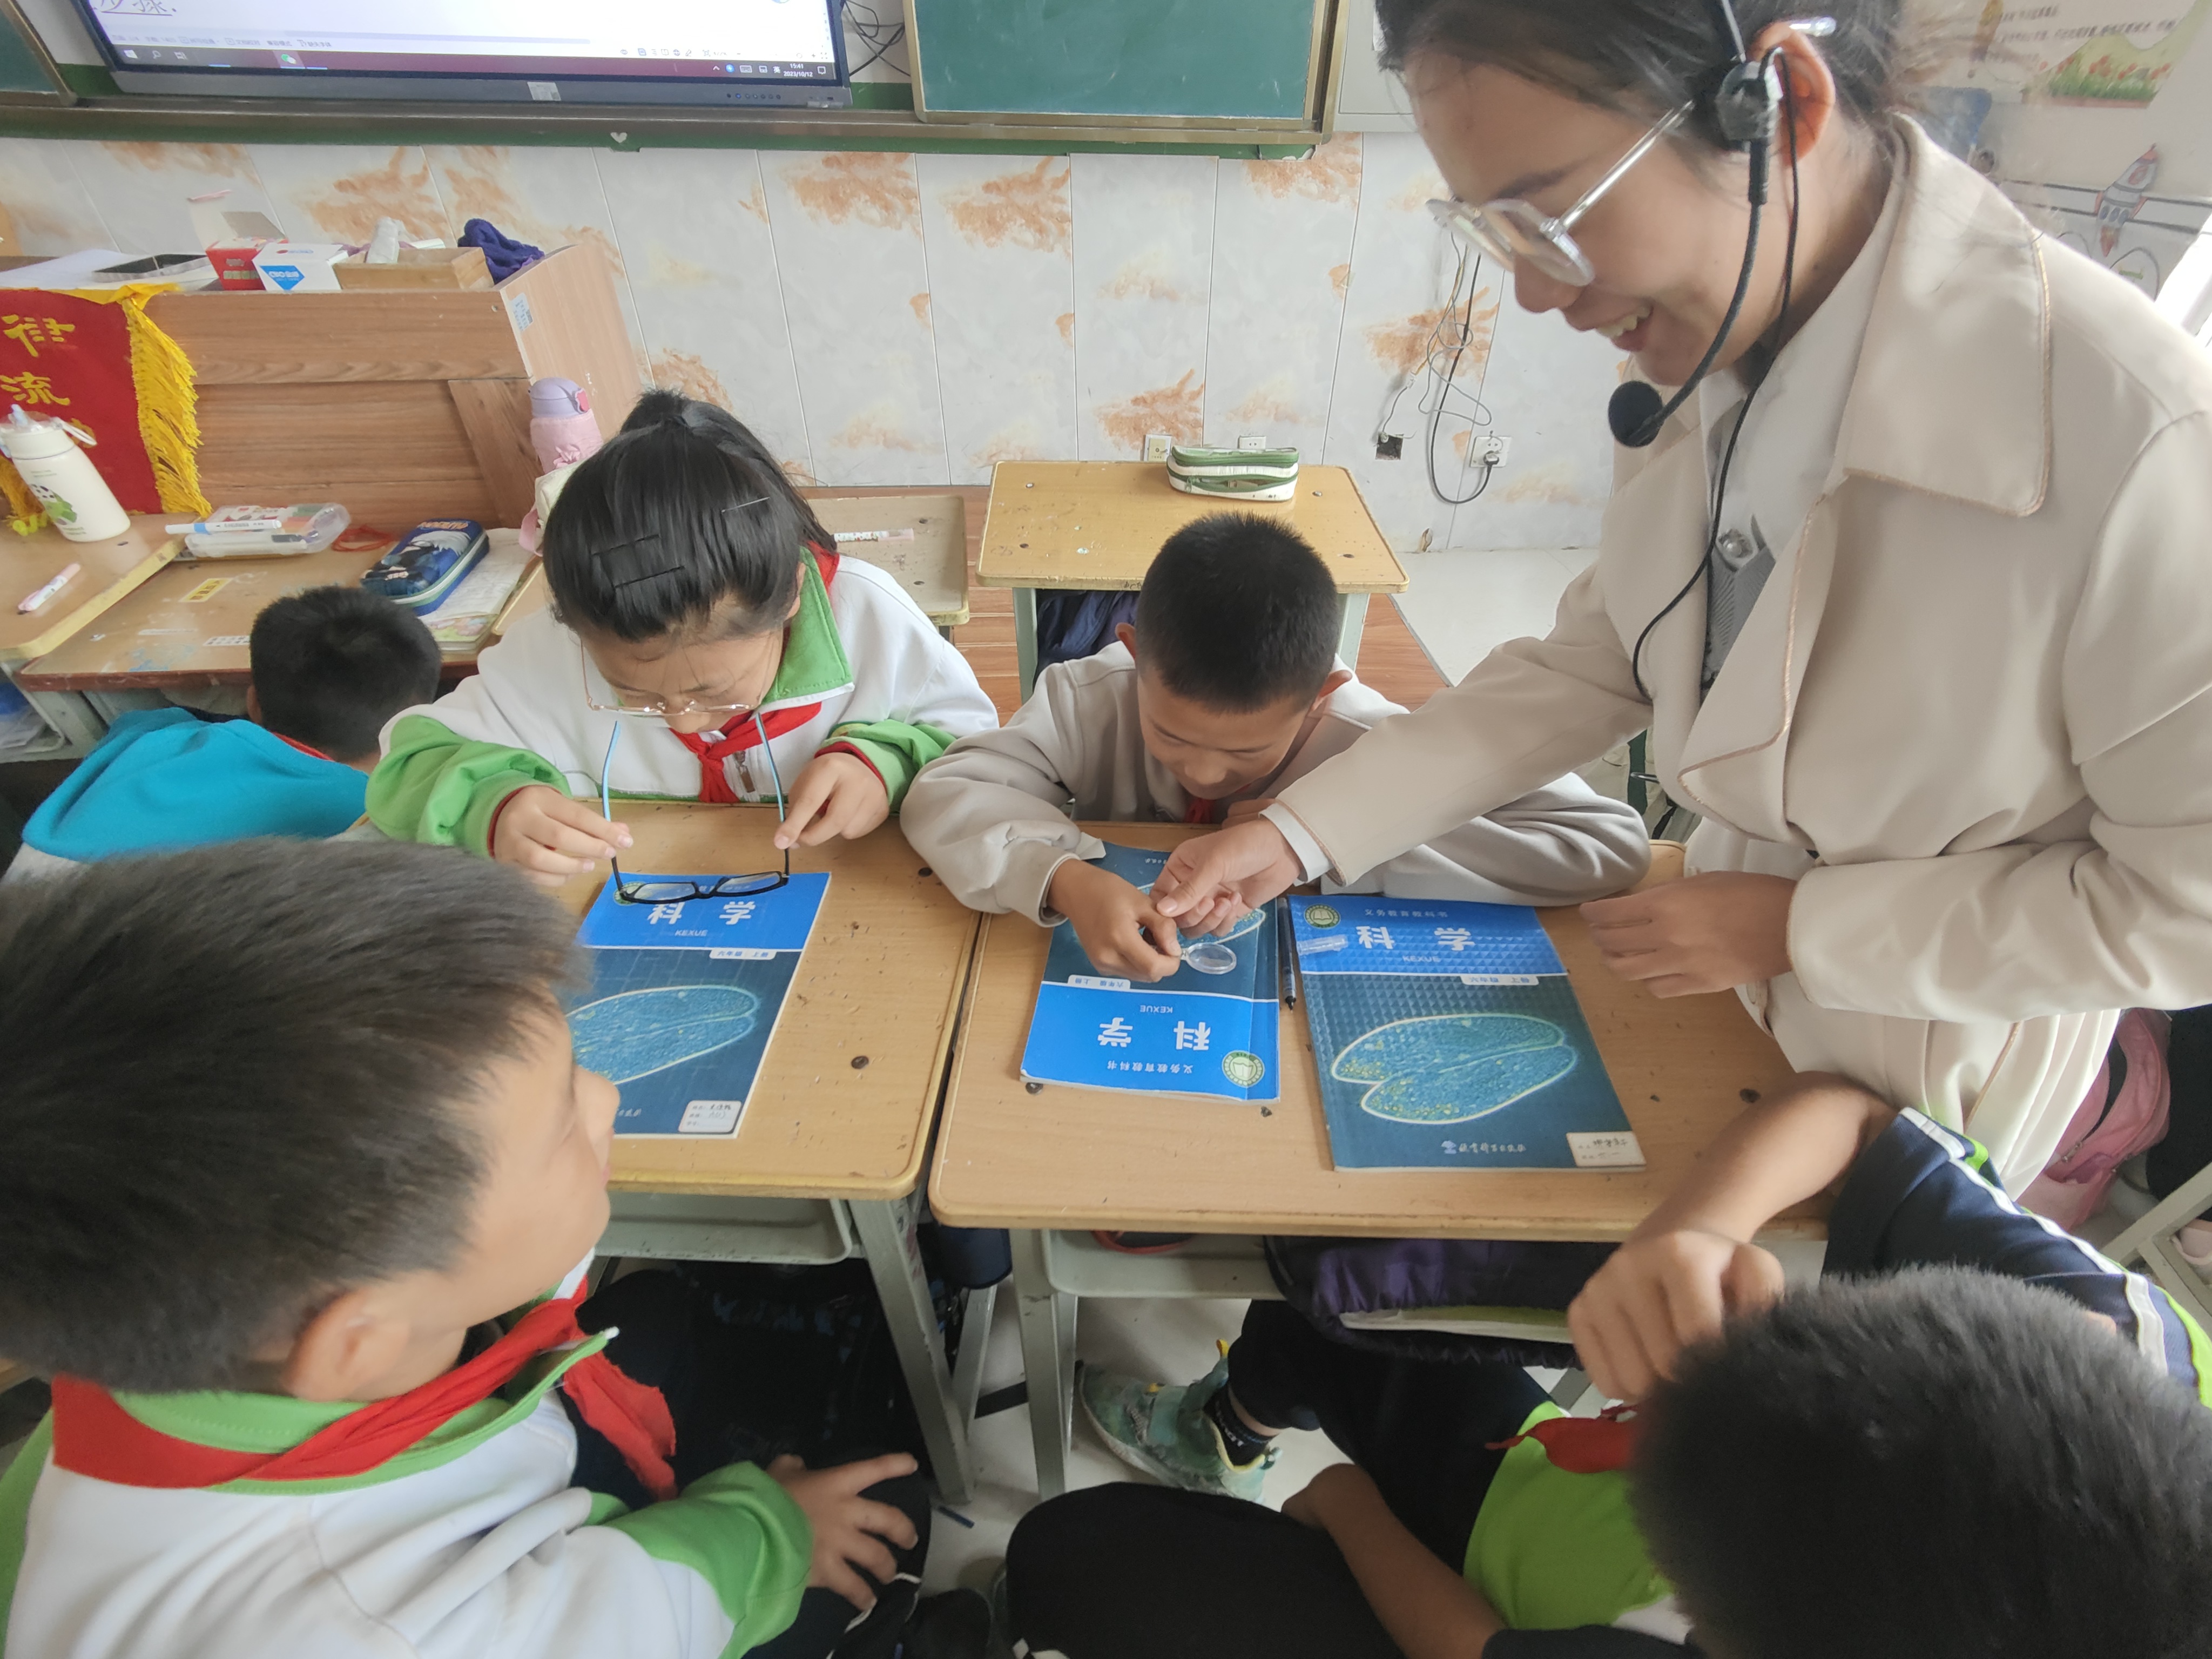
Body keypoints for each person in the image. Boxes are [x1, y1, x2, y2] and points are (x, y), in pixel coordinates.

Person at [1144, 0, 2212, 1191]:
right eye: (1494, 231)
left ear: (1780, 108)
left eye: (1553, 216)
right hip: (1712, 984)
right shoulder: (1721, 351)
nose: (1535, 293)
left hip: (1916, 1058)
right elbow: (1603, 654)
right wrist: (1295, 834)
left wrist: (1802, 930)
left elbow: (2186, 910)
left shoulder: (2141, 439)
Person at [0, 840, 933, 1659]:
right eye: (563, 1123)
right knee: (888, 1507)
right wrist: (773, 1528)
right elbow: (654, 1606)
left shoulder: (156, 1332)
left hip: (445, 1475)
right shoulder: (387, 1631)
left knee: (650, 1313)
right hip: (589, 1604)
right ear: (360, 1339)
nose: (607, 1098)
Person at [1041, 1073, 2212, 1656]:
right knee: (1329, 1316)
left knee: (1070, 1555)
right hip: (1527, 1488)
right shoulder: (2114, 1342)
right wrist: (1694, 1232)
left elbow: (1474, 1646)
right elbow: (1852, 1120)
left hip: (1499, 1596)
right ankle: (1233, 1427)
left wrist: (1343, 1504)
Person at [901, 512, 1648, 982]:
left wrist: (1328, 847)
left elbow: (1607, 845)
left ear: (1323, 693)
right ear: (1131, 652)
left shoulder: (1370, 738)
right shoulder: (1090, 697)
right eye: (1170, 735)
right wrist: (1063, 877)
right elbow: (947, 789)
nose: (1201, 772)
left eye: (1247, 752)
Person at [368, 390, 997, 885]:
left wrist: (883, 762)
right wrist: (492, 804)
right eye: (634, 693)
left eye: (713, 692)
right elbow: (408, 762)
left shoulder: (868, 619)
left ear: (790, 600)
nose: (684, 722)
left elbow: (977, 748)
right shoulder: (553, 652)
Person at [6, 585, 440, 879]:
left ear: (253, 702)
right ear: (419, 722)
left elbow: (146, 721)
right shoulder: (376, 814)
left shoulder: (149, 739)